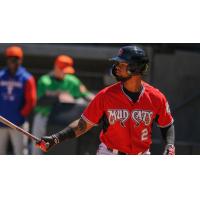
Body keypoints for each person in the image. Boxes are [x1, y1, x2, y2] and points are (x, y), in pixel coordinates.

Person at [36, 46, 175, 155]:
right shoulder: (106, 95)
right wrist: (56, 138)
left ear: (134, 68)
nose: (116, 67)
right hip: (109, 153)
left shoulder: (156, 97)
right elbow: (83, 124)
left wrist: (170, 145)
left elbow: (167, 124)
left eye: (121, 64)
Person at [32, 55, 94, 154]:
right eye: (62, 69)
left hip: (63, 120)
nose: (65, 72)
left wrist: (97, 100)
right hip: (44, 117)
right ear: (56, 67)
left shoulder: (72, 80)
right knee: (38, 146)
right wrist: (58, 97)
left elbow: (86, 94)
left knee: (59, 149)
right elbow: (39, 101)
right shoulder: (45, 80)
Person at [0, 46, 37, 155]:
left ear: (20, 60)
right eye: (10, 58)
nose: (13, 61)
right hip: (1, 122)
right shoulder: (1, 76)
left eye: (16, 58)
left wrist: (20, 116)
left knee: (20, 152)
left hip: (18, 124)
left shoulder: (27, 78)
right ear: (7, 60)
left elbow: (31, 100)